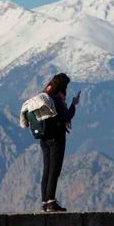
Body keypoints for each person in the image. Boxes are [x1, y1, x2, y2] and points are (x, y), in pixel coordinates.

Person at [40, 73, 80, 212]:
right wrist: (74, 105)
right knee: (54, 170)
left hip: (44, 138)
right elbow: (65, 117)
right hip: (56, 137)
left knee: (47, 169)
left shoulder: (45, 95)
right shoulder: (57, 98)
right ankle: (51, 202)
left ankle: (45, 202)